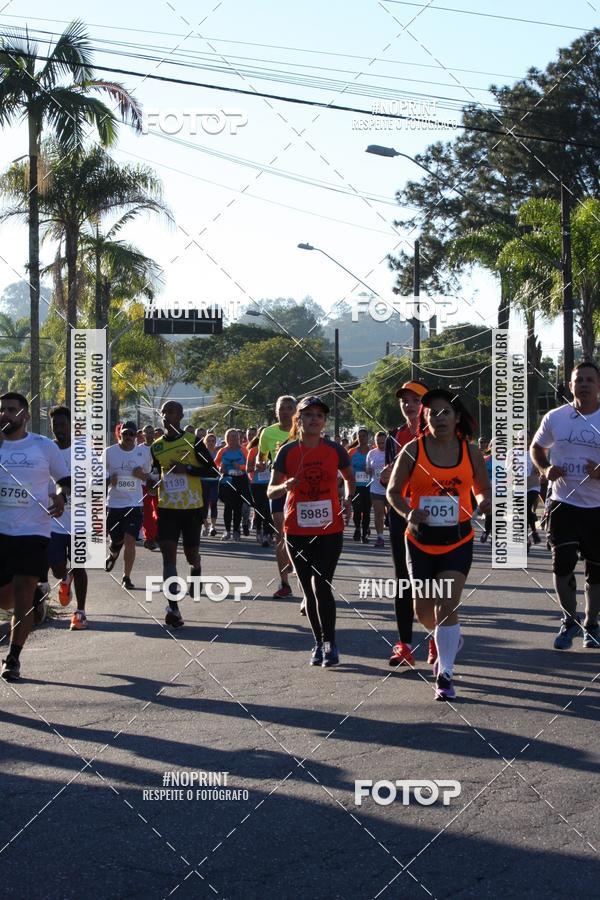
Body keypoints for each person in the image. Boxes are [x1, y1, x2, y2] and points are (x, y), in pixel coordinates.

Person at [387, 389, 491, 700]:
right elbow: (393, 492)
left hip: (458, 539)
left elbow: (481, 487)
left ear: (457, 417)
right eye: (433, 413)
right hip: (420, 541)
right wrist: (408, 512)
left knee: (447, 602)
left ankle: (445, 674)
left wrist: (483, 502)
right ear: (425, 418)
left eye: (446, 412)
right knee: (424, 609)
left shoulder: (469, 451)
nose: (440, 417)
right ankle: (446, 637)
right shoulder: (412, 450)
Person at [268, 397, 354, 667]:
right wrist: (285, 486)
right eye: (308, 415)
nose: (314, 419)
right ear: (299, 420)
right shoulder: (287, 451)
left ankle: (330, 645)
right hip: (297, 529)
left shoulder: (335, 450)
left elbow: (350, 479)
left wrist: (348, 499)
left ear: (324, 421)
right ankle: (318, 642)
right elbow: (270, 490)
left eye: (319, 415)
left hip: (329, 529)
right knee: (308, 588)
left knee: (322, 585)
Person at [531, 361, 600, 650]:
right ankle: (569, 620)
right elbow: (536, 448)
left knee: (596, 569)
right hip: (563, 503)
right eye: (578, 380)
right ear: (570, 386)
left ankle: (592, 623)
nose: (583, 384)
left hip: (597, 507)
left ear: (598, 386)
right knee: (562, 565)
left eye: (589, 379)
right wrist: (546, 469)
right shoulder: (555, 417)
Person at [0, 392, 69, 681]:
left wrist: (61, 496)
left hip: (34, 530)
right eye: (1, 410)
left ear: (25, 416)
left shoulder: (43, 447)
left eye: (11, 410)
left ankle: (13, 658)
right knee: (5, 601)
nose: (5, 415)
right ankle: (38, 598)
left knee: (22, 591)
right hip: (2, 530)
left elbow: (64, 480)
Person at [150, 401, 216, 628]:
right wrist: (151, 483)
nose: (166, 416)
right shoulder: (156, 447)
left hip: (192, 507)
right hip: (167, 507)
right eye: (163, 412)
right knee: (168, 557)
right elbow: (154, 473)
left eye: (171, 412)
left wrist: (186, 469)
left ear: (179, 416)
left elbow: (213, 470)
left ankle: (196, 567)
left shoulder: (193, 441)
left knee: (190, 554)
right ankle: (173, 608)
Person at [379, 380, 430, 668]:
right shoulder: (393, 436)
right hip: (402, 512)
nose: (408, 404)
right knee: (403, 579)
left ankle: (437, 638)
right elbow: (388, 482)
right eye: (404, 400)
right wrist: (387, 476)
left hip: (433, 513)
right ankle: (405, 645)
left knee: (432, 579)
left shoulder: (436, 433)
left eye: (415, 399)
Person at [47, 406, 89, 629]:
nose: (59, 429)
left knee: (80, 566)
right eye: (55, 426)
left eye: (63, 425)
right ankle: (65, 578)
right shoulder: (46, 450)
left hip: (80, 519)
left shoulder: (83, 451)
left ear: (71, 426)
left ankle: (80, 613)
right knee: (57, 568)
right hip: (53, 521)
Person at [104, 421, 153, 590]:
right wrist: (109, 480)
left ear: (136, 436)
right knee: (116, 539)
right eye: (125, 434)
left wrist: (142, 475)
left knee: (130, 540)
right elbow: (94, 478)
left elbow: (149, 477)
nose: (128, 438)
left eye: (132, 434)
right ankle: (113, 553)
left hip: (134, 504)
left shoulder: (142, 453)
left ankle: (126, 577)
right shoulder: (109, 453)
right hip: (114, 504)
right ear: (120, 434)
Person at [258, 395, 297, 598]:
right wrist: (261, 463)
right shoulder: (268, 433)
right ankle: (284, 583)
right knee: (281, 534)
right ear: (276, 411)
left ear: (296, 411)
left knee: (300, 536)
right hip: (279, 487)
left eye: (290, 407)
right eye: (282, 408)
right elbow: (261, 455)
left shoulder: (302, 431)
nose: (286, 411)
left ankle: (306, 582)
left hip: (301, 490)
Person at [215, 429, 251, 541]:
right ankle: (227, 531)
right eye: (231, 436)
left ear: (239, 438)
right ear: (227, 438)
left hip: (240, 479)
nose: (234, 438)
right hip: (227, 480)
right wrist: (220, 468)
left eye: (235, 436)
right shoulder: (223, 451)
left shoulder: (244, 450)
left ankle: (236, 531)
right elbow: (215, 463)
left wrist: (240, 467)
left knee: (238, 507)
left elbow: (249, 466)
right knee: (227, 507)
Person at [246, 427, 273, 546]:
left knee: (269, 510)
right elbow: (248, 469)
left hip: (271, 483)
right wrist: (257, 468)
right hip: (257, 483)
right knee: (259, 509)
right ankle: (258, 531)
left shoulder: (274, 448)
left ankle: (268, 534)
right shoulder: (253, 450)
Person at [349, 427, 372, 543]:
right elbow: (346, 470)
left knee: (367, 510)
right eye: (360, 436)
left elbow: (378, 467)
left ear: (368, 437)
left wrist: (369, 469)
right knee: (357, 509)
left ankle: (364, 534)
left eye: (364, 436)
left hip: (369, 486)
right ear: (357, 438)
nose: (362, 438)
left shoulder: (373, 451)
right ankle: (357, 528)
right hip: (355, 486)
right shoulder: (352, 452)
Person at [366, 431, 387, 548]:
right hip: (376, 488)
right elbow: (368, 468)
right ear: (375, 442)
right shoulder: (371, 453)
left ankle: (395, 536)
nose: (381, 445)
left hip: (390, 489)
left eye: (383, 442)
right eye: (378, 443)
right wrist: (368, 470)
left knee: (392, 516)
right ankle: (380, 537)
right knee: (378, 513)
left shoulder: (391, 452)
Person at [141, 424, 159, 551]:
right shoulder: (138, 450)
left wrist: (156, 477)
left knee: (159, 511)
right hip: (144, 484)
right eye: (146, 432)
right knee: (147, 512)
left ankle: (158, 534)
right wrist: (146, 477)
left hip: (158, 483)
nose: (149, 435)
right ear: (143, 434)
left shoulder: (159, 447)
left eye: (151, 432)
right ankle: (149, 538)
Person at [201, 432, 219, 537]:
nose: (211, 443)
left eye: (213, 441)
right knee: (204, 504)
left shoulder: (218, 452)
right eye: (209, 441)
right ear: (205, 442)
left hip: (215, 481)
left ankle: (213, 526)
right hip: (203, 480)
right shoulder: (202, 453)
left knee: (214, 502)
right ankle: (205, 525)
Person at [526, 433, 541, 547]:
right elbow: (508, 470)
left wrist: (538, 467)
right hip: (519, 487)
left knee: (526, 507)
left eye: (526, 437)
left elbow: (540, 468)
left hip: (533, 485)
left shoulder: (533, 452)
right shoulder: (511, 453)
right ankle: (533, 533)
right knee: (524, 511)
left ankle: (529, 536)